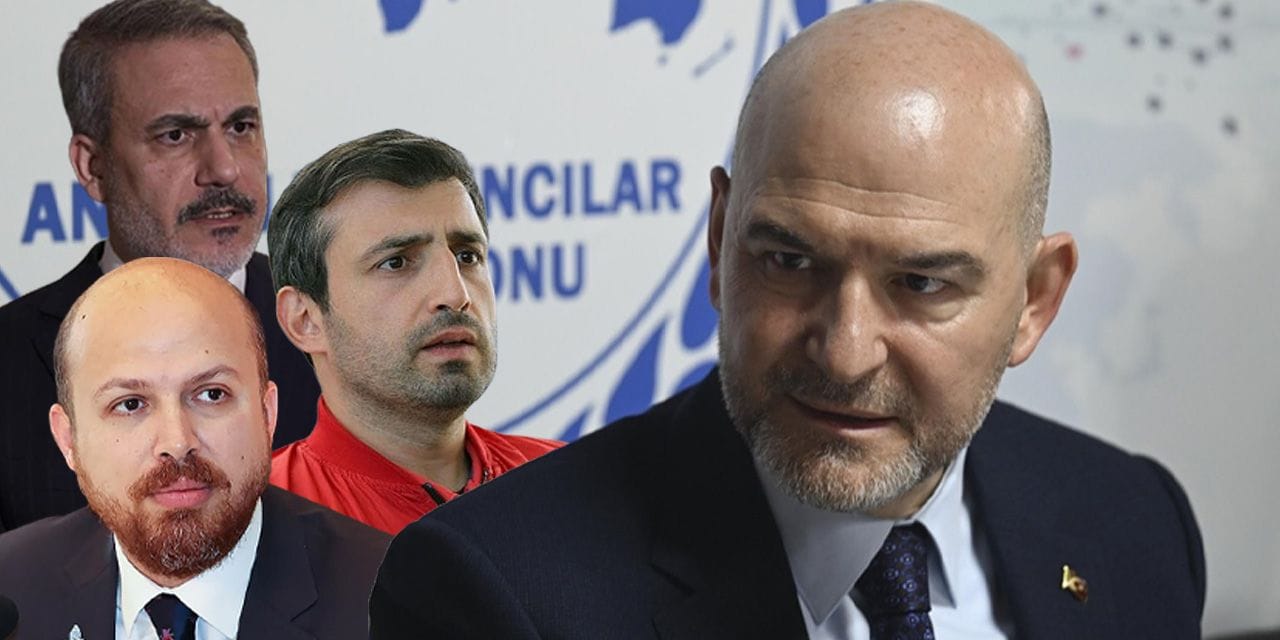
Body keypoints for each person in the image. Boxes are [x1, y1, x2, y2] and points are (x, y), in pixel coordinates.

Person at [369, 3, 1205, 638]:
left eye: (920, 283)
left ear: (1035, 301)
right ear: (718, 241)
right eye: (790, 262)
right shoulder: (492, 594)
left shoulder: (1136, 520)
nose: (844, 352)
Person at [0, 0, 320, 534]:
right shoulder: (8, 363)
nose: (224, 169)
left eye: (241, 126)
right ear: (92, 166)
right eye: (176, 135)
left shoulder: (341, 333)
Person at [0, 258, 389, 638]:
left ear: (267, 414)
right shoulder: (11, 583)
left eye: (211, 394)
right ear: (68, 439)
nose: (177, 441)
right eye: (130, 404)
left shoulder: (392, 594)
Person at [267, 129, 561, 535]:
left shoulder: (576, 487)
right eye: (396, 263)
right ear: (305, 319)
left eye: (467, 256)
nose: (455, 294)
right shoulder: (256, 525)